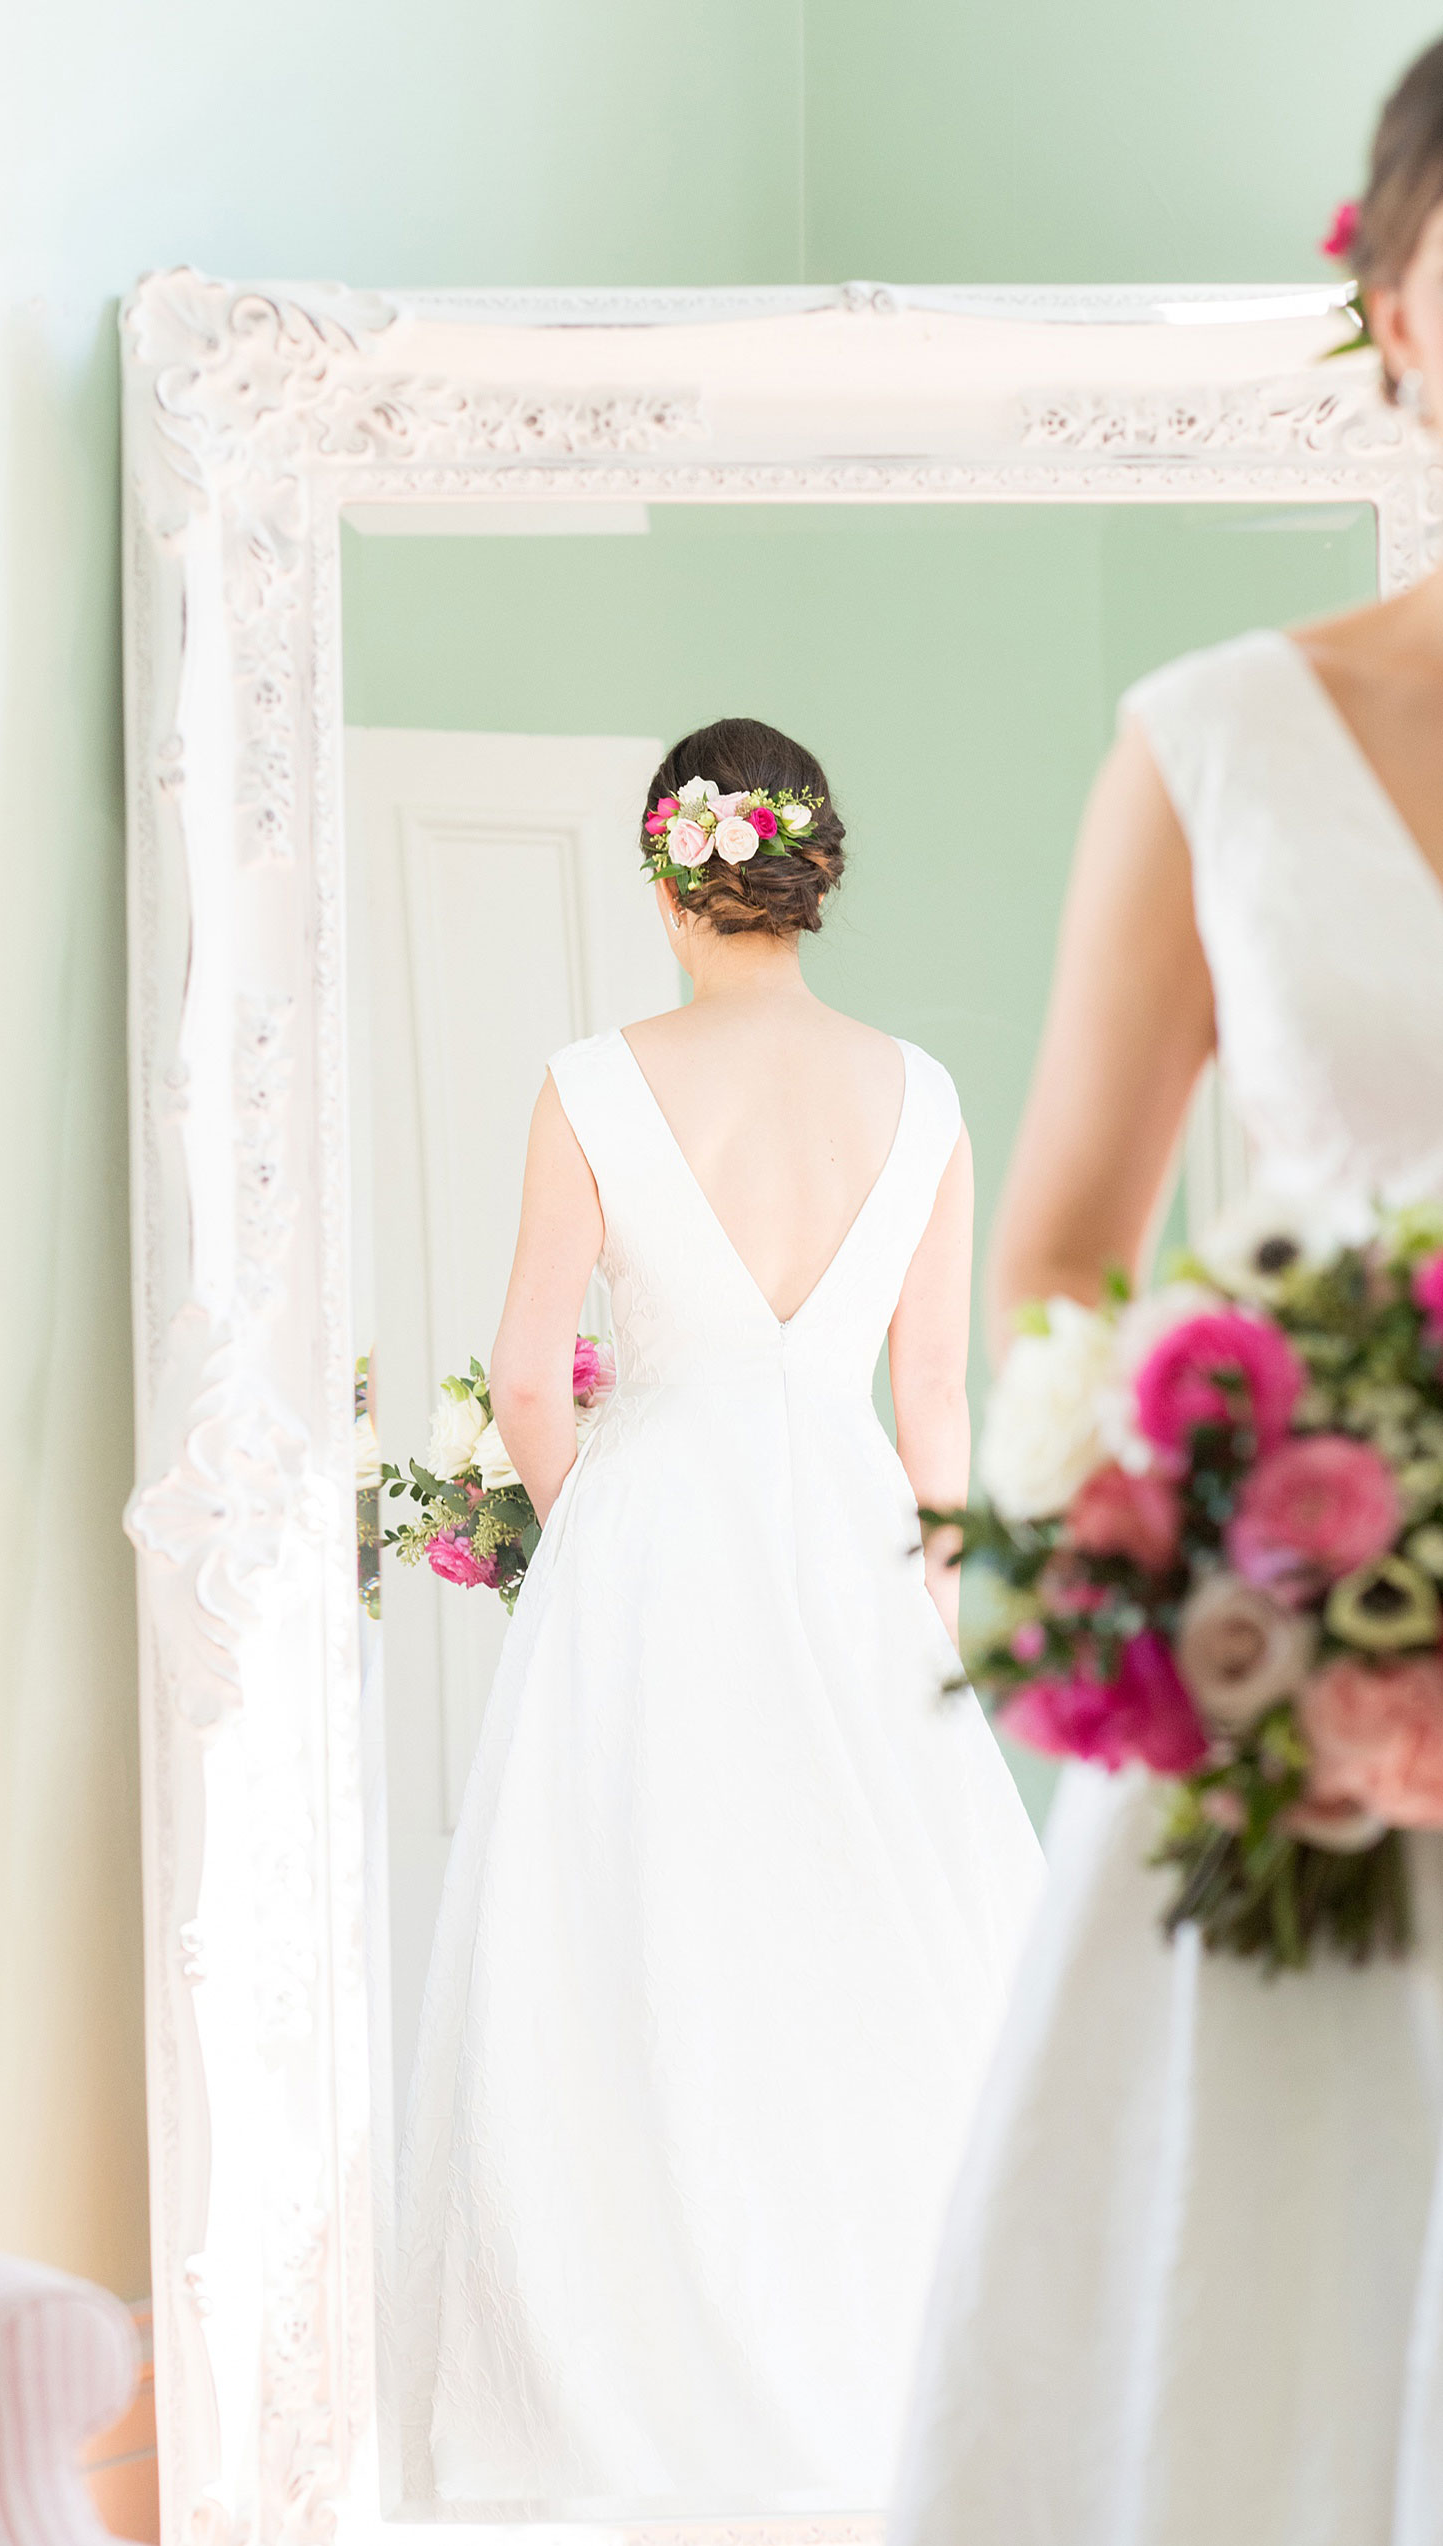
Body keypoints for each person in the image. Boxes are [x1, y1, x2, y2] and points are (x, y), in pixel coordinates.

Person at [891, 42, 1443, 2546]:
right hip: (1302, 1687)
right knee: (1246, 2345)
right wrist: (1216, 1594)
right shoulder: (1214, 739)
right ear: (1394, 312)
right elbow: (1059, 1245)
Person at [390, 716, 1042, 2513]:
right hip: (852, 1552)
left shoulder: (591, 1080)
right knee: (864, 1962)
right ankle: (890, 2383)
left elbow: (533, 1381)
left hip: (648, 1545)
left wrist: (596, 1514)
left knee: (632, 1957)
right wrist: (936, 1618)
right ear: (806, 869)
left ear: (674, 871)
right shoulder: (922, 1094)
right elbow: (938, 1402)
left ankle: (638, 2389)